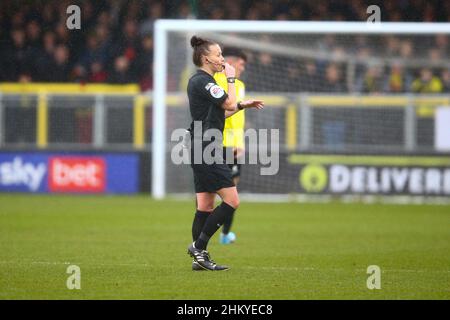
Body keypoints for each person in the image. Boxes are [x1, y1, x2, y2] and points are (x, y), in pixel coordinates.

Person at [186, 36, 264, 271]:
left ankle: (200, 258)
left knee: (205, 206)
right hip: (206, 146)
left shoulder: (204, 82)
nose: (222, 59)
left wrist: (241, 105)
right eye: (219, 55)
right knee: (232, 200)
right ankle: (198, 247)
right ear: (206, 58)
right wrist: (231, 79)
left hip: (203, 144)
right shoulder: (203, 81)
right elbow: (228, 103)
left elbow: (223, 112)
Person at [213, 47, 247, 245]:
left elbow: (239, 117)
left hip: (234, 146)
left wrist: (240, 143)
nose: (242, 68)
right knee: (212, 192)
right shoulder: (217, 82)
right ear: (232, 63)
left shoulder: (239, 85)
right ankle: (208, 229)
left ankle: (225, 234)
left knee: (232, 190)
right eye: (241, 64)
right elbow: (221, 113)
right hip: (219, 144)